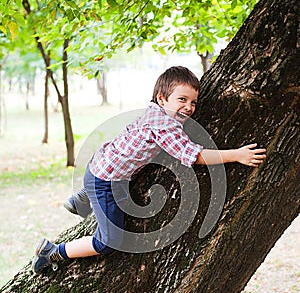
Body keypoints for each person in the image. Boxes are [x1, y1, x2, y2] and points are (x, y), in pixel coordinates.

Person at [32, 66, 266, 274]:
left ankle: (84, 196)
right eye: (182, 99)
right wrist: (237, 155)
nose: (189, 107)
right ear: (162, 99)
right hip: (105, 181)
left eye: (193, 102)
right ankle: (53, 251)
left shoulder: (152, 111)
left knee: (136, 169)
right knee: (109, 242)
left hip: (102, 164)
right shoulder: (165, 127)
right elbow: (196, 156)